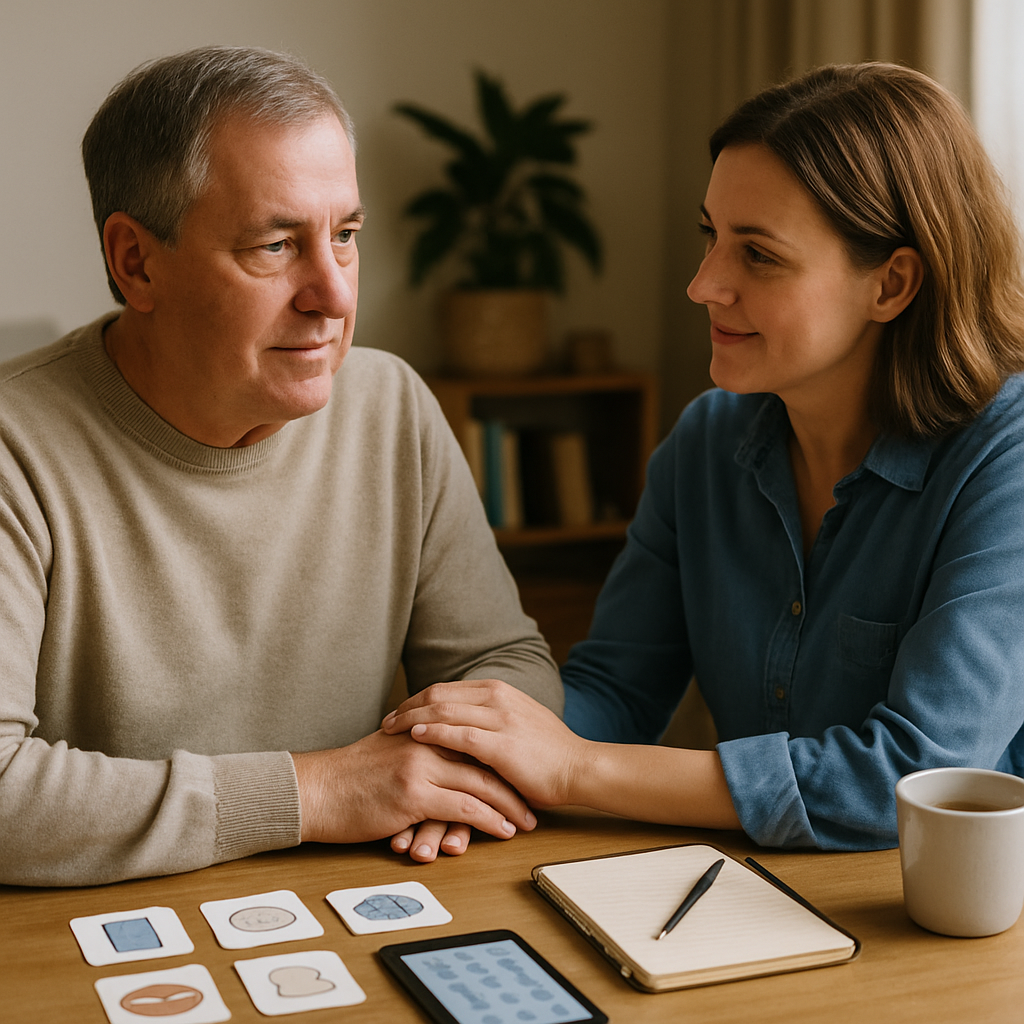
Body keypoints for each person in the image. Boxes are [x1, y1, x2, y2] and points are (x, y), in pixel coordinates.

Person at [384, 63, 1024, 852]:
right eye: (710, 236)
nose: (703, 284)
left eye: (758, 255)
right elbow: (616, 690)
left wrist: (576, 770)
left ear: (891, 284)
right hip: (756, 899)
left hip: (956, 928)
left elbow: (913, 776)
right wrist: (482, 767)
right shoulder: (707, 440)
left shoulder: (1007, 458)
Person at [0, 46, 562, 887]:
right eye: (274, 245)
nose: (334, 296)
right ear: (136, 262)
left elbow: (508, 667)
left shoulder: (391, 406)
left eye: (345, 235)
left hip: (356, 897)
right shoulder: (16, 447)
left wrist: (441, 773)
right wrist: (322, 791)